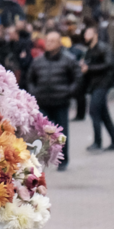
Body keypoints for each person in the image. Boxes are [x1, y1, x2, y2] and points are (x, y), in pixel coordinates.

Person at [26, 31, 82, 171]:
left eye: (52, 41)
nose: (49, 43)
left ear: (59, 43)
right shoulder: (38, 61)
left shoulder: (68, 59)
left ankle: (62, 160)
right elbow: (30, 78)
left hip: (60, 102)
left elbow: (78, 78)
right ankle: (39, 160)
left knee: (61, 134)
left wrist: (68, 92)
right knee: (41, 133)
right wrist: (35, 92)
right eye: (47, 40)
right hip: (43, 102)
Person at [82, 25, 114, 150]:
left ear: (95, 34)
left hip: (103, 84)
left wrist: (89, 68)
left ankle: (97, 142)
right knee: (103, 114)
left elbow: (109, 64)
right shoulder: (89, 50)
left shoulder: (103, 48)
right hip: (94, 85)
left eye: (88, 33)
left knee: (94, 111)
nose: (85, 36)